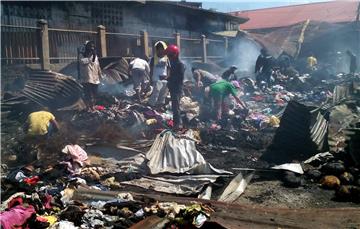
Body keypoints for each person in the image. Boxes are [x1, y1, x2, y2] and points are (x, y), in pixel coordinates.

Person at [164, 44, 185, 130]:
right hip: (173, 87)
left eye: (169, 55)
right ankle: (177, 123)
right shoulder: (173, 63)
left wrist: (169, 79)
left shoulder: (179, 64)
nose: (168, 56)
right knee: (174, 106)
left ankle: (178, 124)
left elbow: (180, 78)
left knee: (176, 107)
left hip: (177, 88)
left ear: (175, 54)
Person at [80, 41, 102, 111]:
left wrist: (100, 75)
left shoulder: (95, 56)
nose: (92, 49)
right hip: (87, 79)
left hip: (95, 79)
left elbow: (98, 66)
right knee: (88, 94)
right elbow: (83, 62)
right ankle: (89, 107)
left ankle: (92, 106)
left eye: (93, 48)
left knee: (95, 94)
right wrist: (88, 55)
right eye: (90, 48)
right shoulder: (83, 56)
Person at [148, 41, 169, 107]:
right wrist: (150, 78)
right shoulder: (153, 59)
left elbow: (168, 68)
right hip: (156, 79)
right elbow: (150, 70)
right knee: (156, 92)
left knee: (163, 94)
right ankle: (151, 105)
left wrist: (168, 76)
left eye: (162, 49)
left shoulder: (167, 59)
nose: (160, 50)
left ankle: (160, 106)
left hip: (165, 79)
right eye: (158, 49)